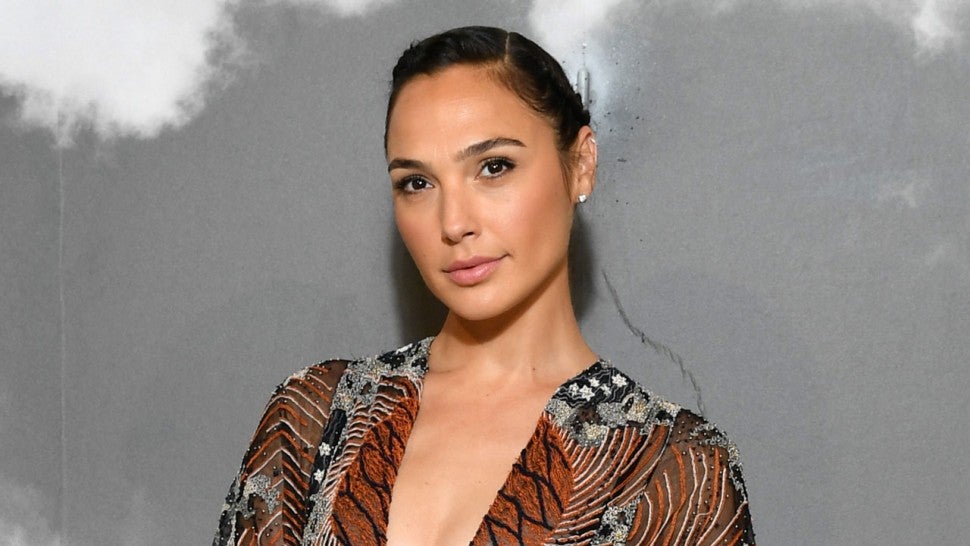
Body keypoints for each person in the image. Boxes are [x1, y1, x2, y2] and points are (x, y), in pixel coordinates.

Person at [214, 26, 755, 546]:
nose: (453, 223)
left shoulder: (674, 470)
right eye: (417, 183)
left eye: (494, 167)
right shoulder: (313, 418)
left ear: (581, 163)